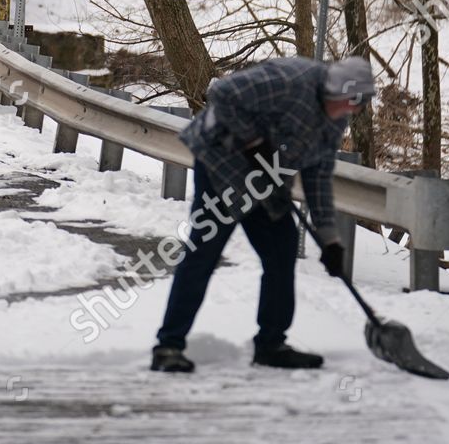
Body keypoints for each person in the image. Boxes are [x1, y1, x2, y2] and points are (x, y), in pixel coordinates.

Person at [150, 56, 375, 373]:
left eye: (357, 106)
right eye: (349, 103)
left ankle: (271, 344)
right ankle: (168, 346)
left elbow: (318, 179)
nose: (350, 111)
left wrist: (331, 240)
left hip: (266, 180)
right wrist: (253, 142)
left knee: (282, 250)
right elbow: (221, 93)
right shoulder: (289, 81)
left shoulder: (334, 121)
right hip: (222, 164)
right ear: (334, 91)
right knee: (204, 253)